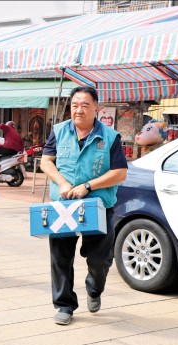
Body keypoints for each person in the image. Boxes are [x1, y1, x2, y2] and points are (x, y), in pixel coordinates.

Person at [39, 86, 127, 326]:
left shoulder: (110, 137)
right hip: (64, 204)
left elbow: (120, 173)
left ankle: (94, 288)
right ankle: (64, 304)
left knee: (100, 258)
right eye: (75, 105)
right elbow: (46, 162)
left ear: (96, 109)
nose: (79, 110)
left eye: (85, 105)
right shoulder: (58, 131)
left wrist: (88, 186)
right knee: (60, 257)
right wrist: (62, 182)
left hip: (97, 205)